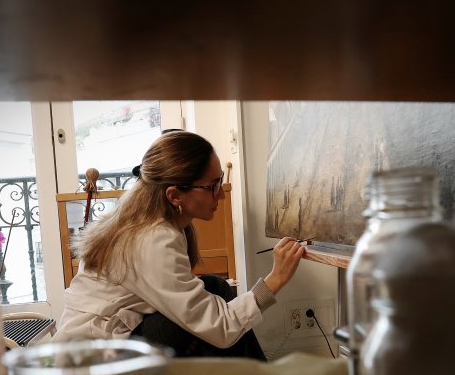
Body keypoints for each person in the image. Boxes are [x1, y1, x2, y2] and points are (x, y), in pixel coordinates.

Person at [54, 130, 305, 359]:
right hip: (92, 362)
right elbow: (221, 327)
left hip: (109, 339)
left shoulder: (149, 221)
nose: (220, 193)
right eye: (212, 186)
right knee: (200, 325)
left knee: (215, 287)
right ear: (174, 195)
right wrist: (275, 279)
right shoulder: (153, 240)